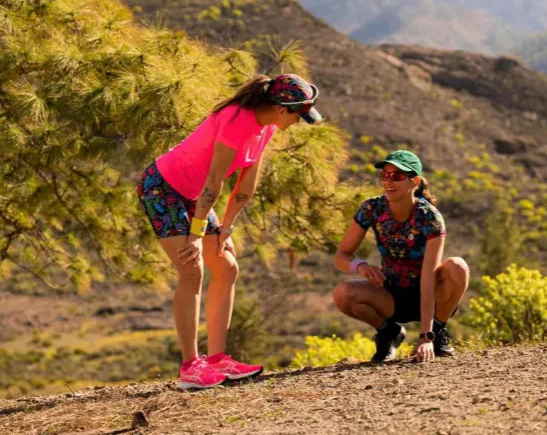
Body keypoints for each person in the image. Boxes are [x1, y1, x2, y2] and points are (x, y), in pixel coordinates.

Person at [137, 74, 323, 389]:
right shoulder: (236, 121)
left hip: (194, 194)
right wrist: (196, 236)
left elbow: (245, 186)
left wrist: (226, 226)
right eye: (297, 115)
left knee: (225, 266)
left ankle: (217, 359)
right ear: (281, 109)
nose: (298, 122)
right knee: (191, 268)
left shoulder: (266, 129)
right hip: (163, 188)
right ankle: (190, 368)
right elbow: (214, 181)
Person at [332, 150, 470, 363]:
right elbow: (341, 256)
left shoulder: (430, 218)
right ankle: (389, 333)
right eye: (385, 175)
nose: (388, 181)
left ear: (414, 181)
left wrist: (426, 335)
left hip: (431, 295)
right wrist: (360, 266)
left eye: (396, 176)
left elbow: (428, 277)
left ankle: (439, 332)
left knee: (458, 266)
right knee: (343, 293)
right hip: (391, 296)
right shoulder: (371, 208)